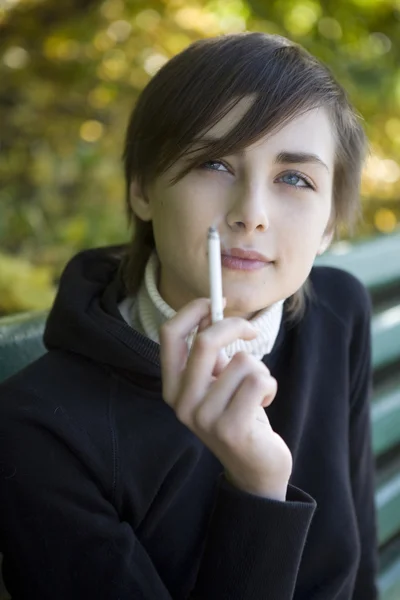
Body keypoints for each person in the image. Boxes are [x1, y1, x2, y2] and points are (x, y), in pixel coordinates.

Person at [0, 32, 379, 599]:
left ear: (328, 224)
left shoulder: (337, 314)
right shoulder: (37, 429)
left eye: (294, 178)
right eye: (214, 163)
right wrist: (258, 490)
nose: (251, 214)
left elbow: (357, 577)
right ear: (142, 189)